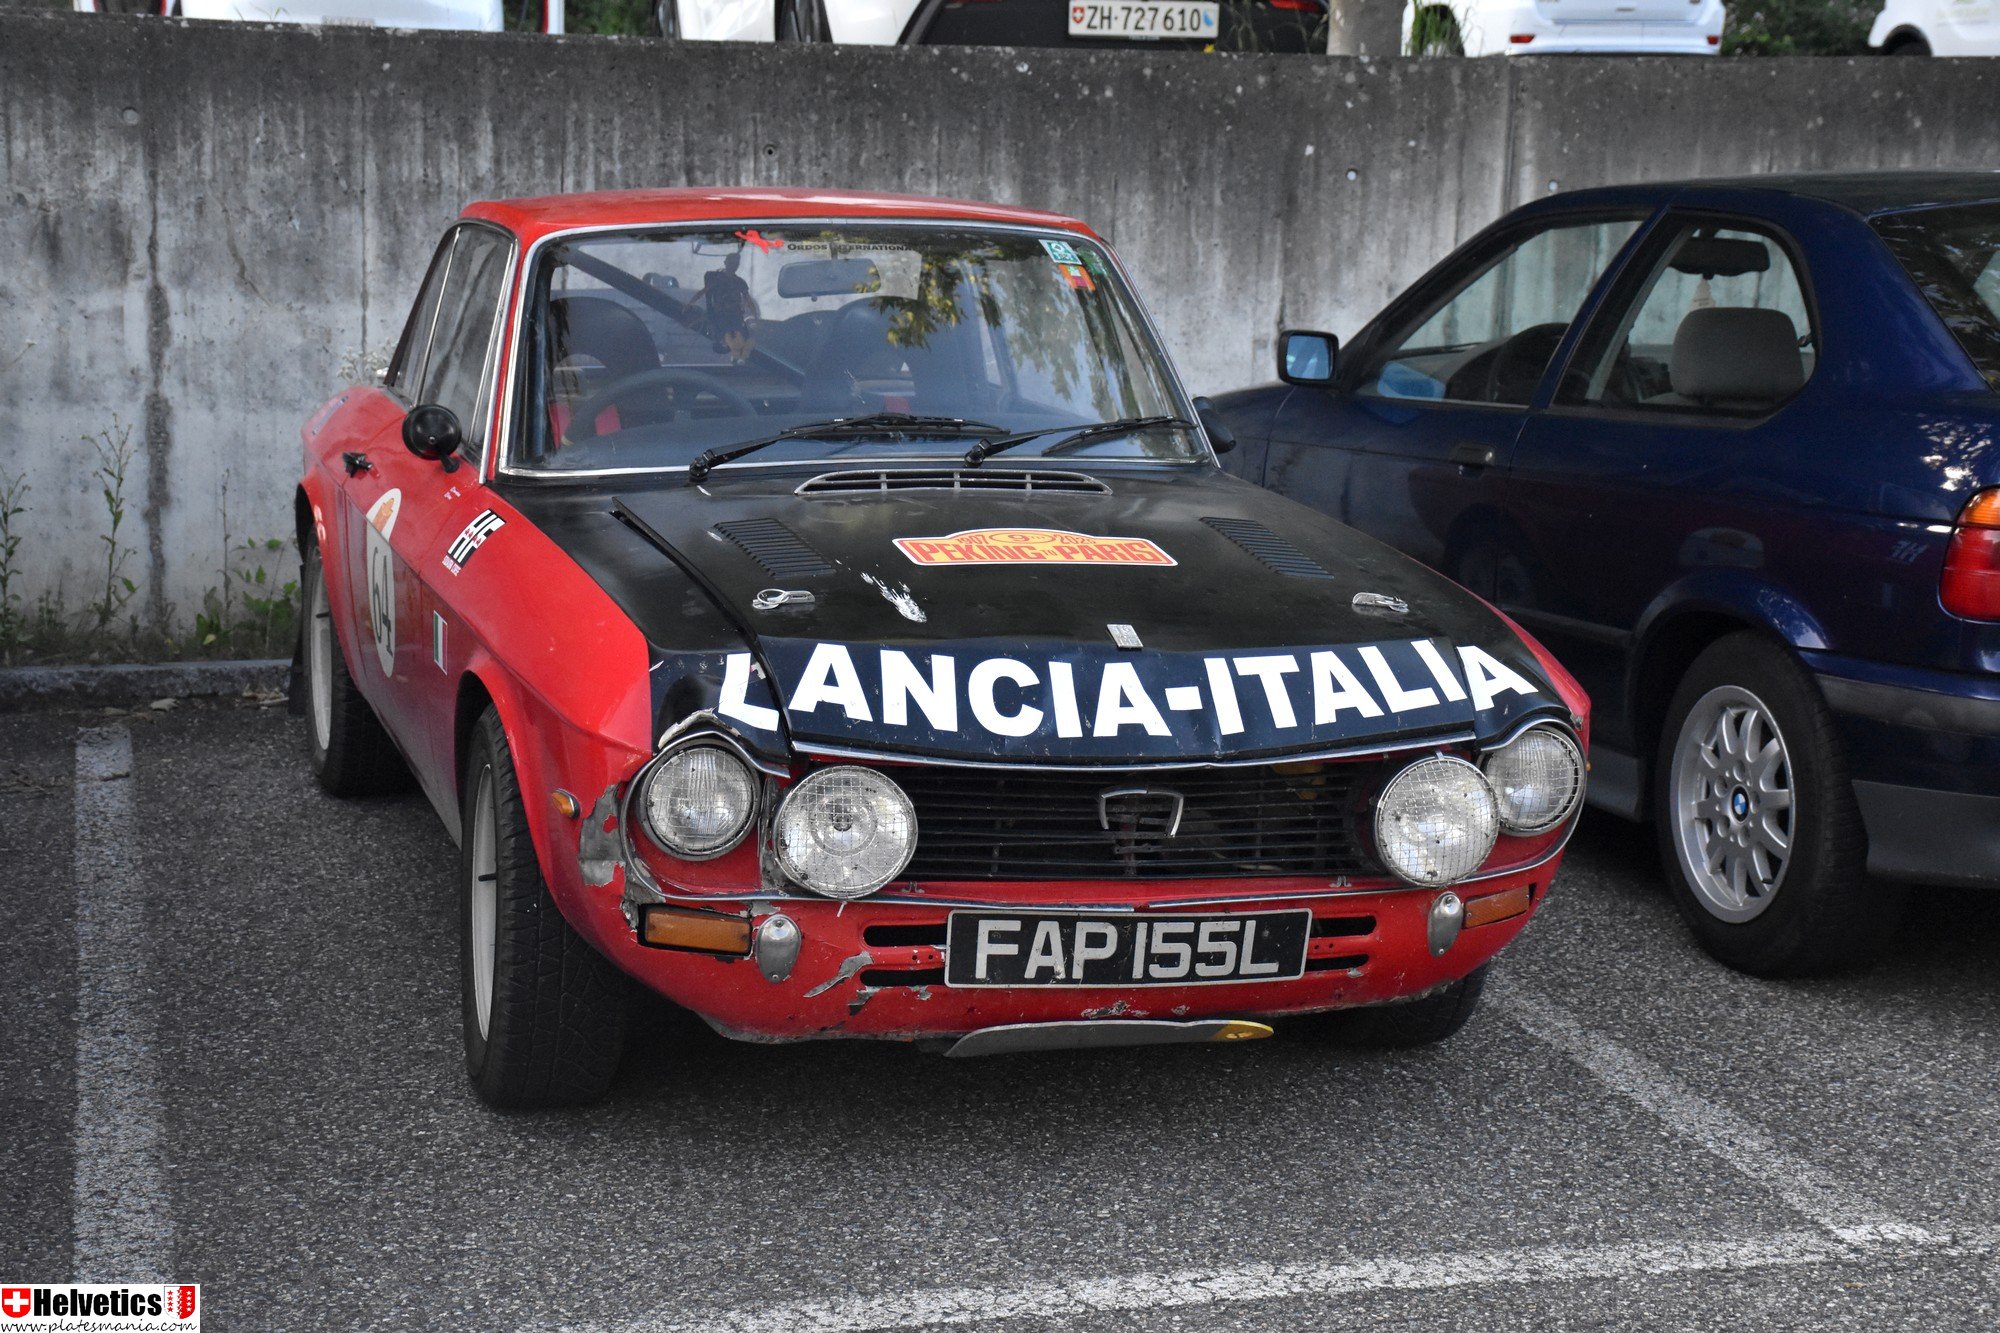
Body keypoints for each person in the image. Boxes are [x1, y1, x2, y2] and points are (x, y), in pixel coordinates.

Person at [702, 251, 758, 363]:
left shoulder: (740, 282)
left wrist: (755, 315)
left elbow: (748, 300)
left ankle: (738, 358)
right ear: (726, 263)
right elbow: (708, 297)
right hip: (720, 317)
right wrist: (710, 314)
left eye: (736, 264)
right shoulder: (713, 278)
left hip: (736, 317)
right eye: (732, 263)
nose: (734, 266)